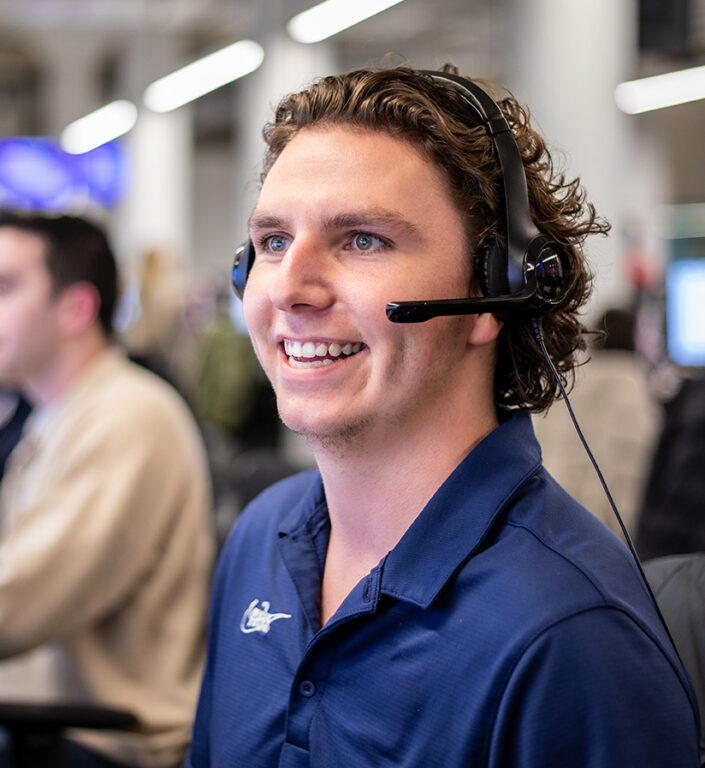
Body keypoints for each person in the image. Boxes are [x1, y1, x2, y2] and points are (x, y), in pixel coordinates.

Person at [186, 66, 699, 767]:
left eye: (362, 238)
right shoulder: (260, 537)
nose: (289, 289)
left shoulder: (565, 634)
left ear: (495, 292)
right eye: (273, 241)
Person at [0, 212, 215, 768]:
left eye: (6, 286)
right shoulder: (57, 416)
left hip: (103, 745)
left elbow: (16, 605)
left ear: (76, 308)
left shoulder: (126, 416)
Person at [533, 307, 660, 539]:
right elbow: (633, 475)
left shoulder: (570, 383)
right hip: (607, 534)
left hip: (551, 521)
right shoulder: (634, 388)